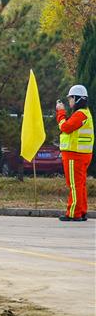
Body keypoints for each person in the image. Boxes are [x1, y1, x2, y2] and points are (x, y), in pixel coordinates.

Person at [55, 84, 93, 222]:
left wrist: (60, 112)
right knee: (80, 184)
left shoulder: (80, 114)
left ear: (77, 99)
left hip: (74, 155)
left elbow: (65, 127)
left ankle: (73, 213)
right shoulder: (85, 113)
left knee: (74, 185)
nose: (69, 101)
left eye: (71, 98)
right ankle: (82, 211)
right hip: (81, 154)